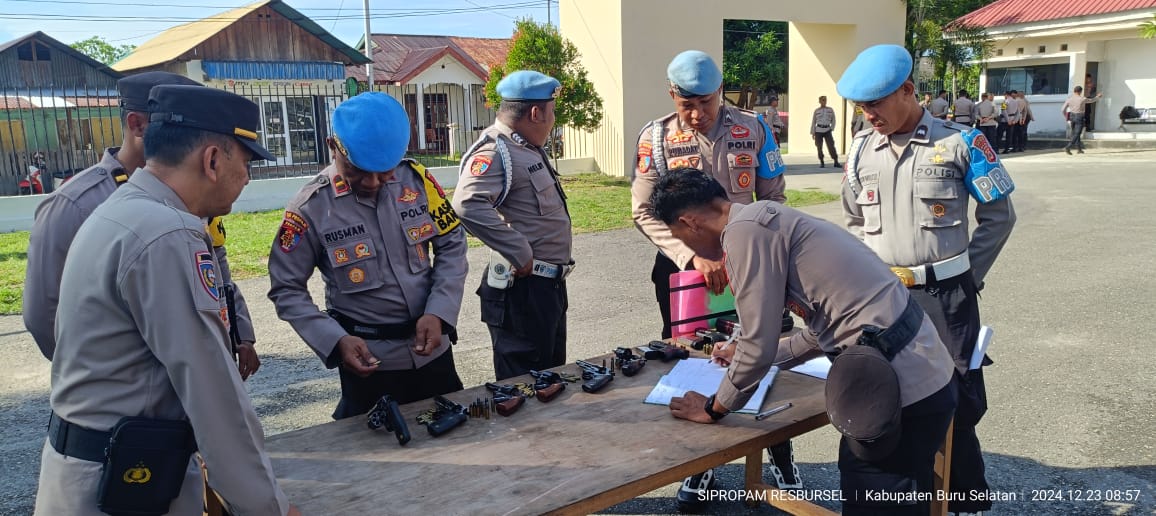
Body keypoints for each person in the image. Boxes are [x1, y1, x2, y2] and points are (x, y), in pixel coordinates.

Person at [35, 85, 298, 515]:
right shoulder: (168, 233)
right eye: (247, 162)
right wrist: (268, 507)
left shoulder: (120, 209)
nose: (248, 178)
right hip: (127, 485)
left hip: (97, 470)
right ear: (213, 160)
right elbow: (214, 393)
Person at [655, 170, 957, 516]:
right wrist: (756, 355)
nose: (686, 245)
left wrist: (713, 408)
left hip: (898, 389)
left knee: (874, 495)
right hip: (926, 376)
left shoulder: (742, 234)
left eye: (678, 236)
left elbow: (757, 344)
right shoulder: (767, 217)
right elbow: (822, 327)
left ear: (689, 222)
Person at [837, 43, 1018, 515]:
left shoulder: (963, 142)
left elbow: (999, 216)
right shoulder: (859, 151)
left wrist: (964, 273)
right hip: (882, 298)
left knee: (955, 396)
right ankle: (905, 491)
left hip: (944, 296)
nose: (868, 114)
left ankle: (962, 498)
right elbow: (854, 222)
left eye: (875, 103)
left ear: (908, 90)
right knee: (886, 392)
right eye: (861, 106)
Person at [628, 50, 791, 511]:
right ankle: (702, 467)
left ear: (721, 93)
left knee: (768, 355)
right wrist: (689, 257)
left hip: (751, 264)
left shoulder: (754, 129)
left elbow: (773, 196)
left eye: (706, 103)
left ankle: (781, 458)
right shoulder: (656, 138)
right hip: (686, 273)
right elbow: (642, 210)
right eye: (686, 105)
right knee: (698, 361)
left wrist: (753, 252)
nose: (696, 115)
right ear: (671, 96)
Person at [22, 71, 261, 379]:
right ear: (137, 125)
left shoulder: (196, 189)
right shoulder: (75, 204)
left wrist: (239, 334)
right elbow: (43, 314)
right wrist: (109, 377)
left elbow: (217, 271)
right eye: (173, 121)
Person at [268, 92, 467, 419]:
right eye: (360, 170)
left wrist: (440, 312)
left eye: (384, 171)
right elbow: (286, 289)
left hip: (435, 356)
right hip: (370, 367)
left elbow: (452, 244)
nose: (373, 182)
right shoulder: (310, 209)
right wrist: (335, 341)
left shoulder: (418, 182)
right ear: (333, 146)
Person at [451, 70, 573, 381]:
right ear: (535, 112)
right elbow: (466, 203)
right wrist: (518, 249)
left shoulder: (524, 148)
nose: (553, 119)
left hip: (545, 289)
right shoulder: (496, 149)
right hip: (522, 293)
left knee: (549, 382)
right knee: (524, 389)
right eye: (551, 111)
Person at [1061, 85, 1103, 155]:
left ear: (1074, 91)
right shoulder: (1082, 99)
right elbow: (1091, 100)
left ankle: (1079, 149)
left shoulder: (1069, 99)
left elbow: (1062, 109)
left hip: (1072, 116)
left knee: (1075, 133)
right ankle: (1068, 147)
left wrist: (1066, 116)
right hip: (1079, 117)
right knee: (1077, 133)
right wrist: (1098, 97)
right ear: (1080, 91)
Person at [810, 95, 841, 168]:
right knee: (819, 147)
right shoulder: (817, 111)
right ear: (820, 101)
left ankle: (836, 161)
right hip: (818, 130)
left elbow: (834, 120)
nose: (824, 101)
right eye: (822, 100)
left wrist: (832, 128)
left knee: (831, 146)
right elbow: (813, 121)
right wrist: (813, 132)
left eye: (825, 100)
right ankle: (822, 161)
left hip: (827, 130)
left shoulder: (830, 110)